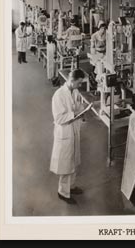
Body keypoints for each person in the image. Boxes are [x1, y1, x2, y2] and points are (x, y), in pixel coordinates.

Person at [50, 69, 88, 204]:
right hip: (65, 132)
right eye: (79, 83)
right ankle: (63, 192)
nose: (80, 86)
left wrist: (83, 109)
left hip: (74, 129)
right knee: (66, 164)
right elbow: (59, 118)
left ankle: (71, 186)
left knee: (74, 161)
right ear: (72, 81)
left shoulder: (75, 92)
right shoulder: (58, 95)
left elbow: (77, 106)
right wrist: (75, 114)